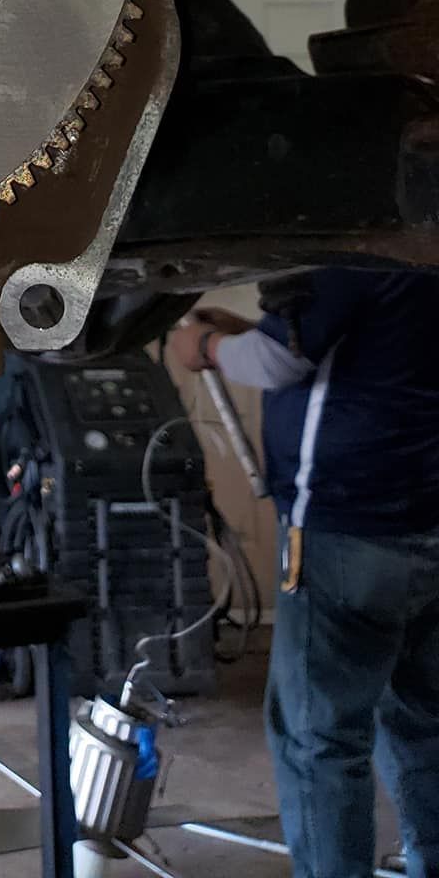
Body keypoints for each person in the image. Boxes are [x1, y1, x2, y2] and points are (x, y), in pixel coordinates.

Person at [173, 269, 439, 878]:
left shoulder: (355, 252)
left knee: (321, 739)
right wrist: (249, 332)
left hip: (343, 531)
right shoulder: (421, 255)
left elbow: (275, 364)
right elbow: (353, 347)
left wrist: (205, 350)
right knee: (421, 721)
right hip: (425, 527)